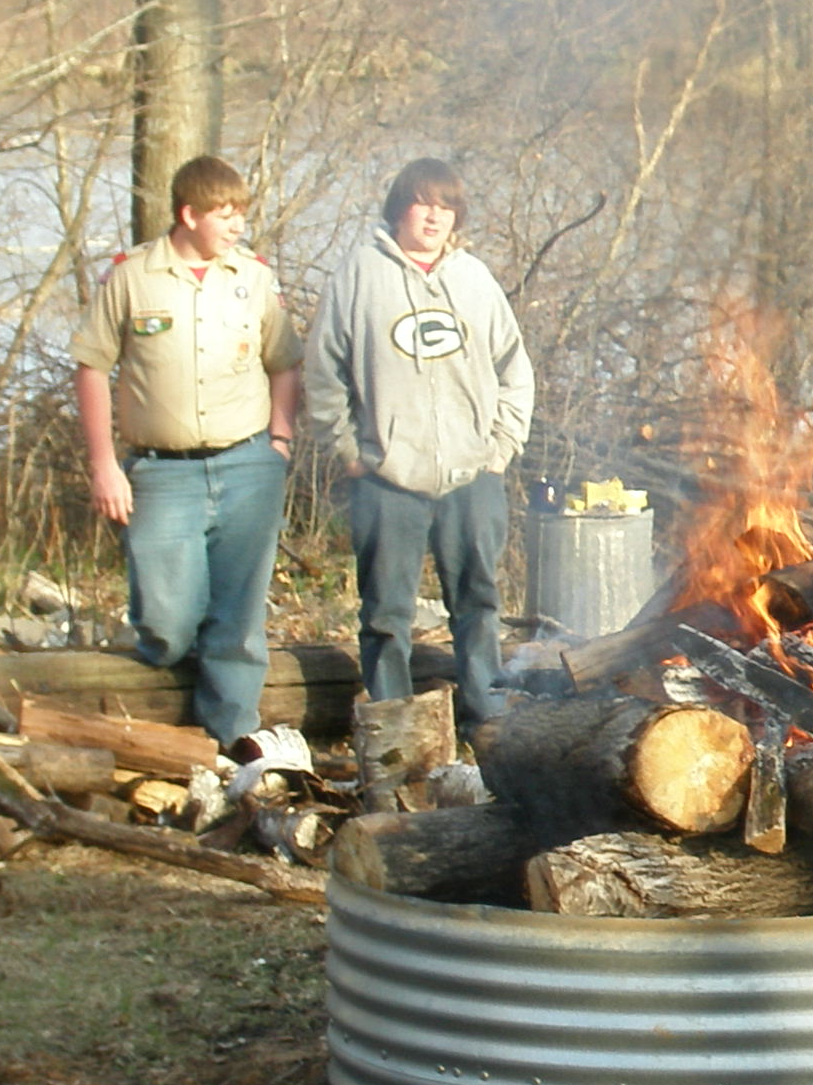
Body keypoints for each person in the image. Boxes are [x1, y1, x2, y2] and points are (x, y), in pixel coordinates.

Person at [69, 154, 303, 751]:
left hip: (247, 465)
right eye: (224, 215)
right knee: (167, 624)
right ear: (188, 214)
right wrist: (103, 465)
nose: (236, 226)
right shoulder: (132, 277)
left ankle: (231, 743)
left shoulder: (252, 277)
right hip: (162, 472)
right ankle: (165, 708)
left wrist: (279, 440)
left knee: (238, 618)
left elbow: (285, 362)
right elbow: (91, 367)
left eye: (241, 215)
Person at [304, 159, 535, 725]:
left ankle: (487, 717)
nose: (434, 217)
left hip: (471, 476)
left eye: (446, 207)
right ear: (399, 208)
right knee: (386, 614)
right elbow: (323, 370)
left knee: (478, 603)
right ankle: (394, 724)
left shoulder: (474, 279)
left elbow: (515, 369)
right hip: (387, 479)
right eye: (423, 203)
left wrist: (500, 448)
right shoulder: (360, 275)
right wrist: (348, 450)